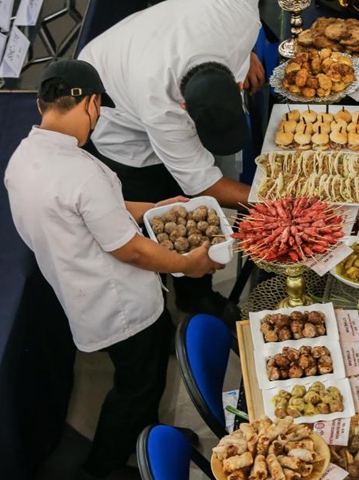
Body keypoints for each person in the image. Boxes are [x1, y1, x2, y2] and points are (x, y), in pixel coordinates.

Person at [4, 60, 223, 480]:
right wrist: (187, 265)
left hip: (79, 292)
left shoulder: (23, 157)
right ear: (90, 102)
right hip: (119, 304)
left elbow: (93, 211)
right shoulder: (81, 170)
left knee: (142, 374)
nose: (98, 118)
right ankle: (104, 466)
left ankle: (152, 436)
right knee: (137, 386)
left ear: (40, 104)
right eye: (99, 108)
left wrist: (153, 209)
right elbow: (131, 251)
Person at [77, 0, 266, 323]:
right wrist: (272, 202)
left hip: (147, 44)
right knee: (173, 214)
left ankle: (197, 293)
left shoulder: (240, 14)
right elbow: (204, 184)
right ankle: (181, 301)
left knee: (194, 197)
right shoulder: (159, 104)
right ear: (184, 108)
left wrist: (244, 55)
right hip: (118, 117)